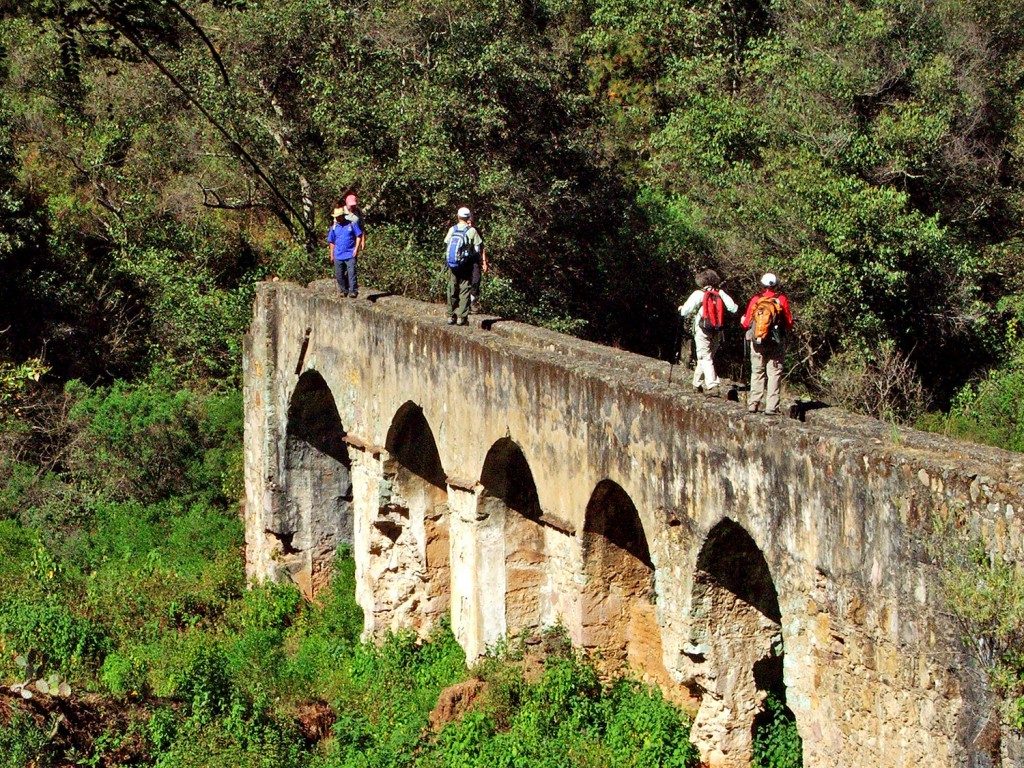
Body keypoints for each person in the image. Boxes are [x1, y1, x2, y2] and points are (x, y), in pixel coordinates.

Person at [678, 269, 738, 397]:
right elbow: (733, 308)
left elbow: (685, 312)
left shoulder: (699, 294)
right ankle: (696, 384)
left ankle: (712, 385)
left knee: (705, 357)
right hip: (717, 329)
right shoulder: (720, 293)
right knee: (706, 357)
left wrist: (681, 308)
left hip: (702, 329)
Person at [740, 272, 794, 415]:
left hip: (757, 343)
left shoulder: (756, 299)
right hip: (776, 343)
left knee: (757, 372)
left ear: (762, 284)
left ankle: (754, 403)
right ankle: (771, 407)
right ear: (776, 285)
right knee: (774, 374)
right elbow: (789, 323)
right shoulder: (781, 299)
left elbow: (746, 323)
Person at [444, 207, 482, 325]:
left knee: (452, 288)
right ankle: (461, 317)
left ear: (458, 216)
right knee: (464, 289)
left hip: (453, 264)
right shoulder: (472, 231)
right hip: (465, 265)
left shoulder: (452, 229)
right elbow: (477, 249)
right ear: (468, 217)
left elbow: (447, 243)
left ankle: (450, 316)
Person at [327, 193, 364, 297]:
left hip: (350, 253)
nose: (338, 219)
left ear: (343, 216)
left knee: (352, 273)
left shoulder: (351, 223)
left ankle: (353, 291)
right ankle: (344, 290)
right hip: (338, 254)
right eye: (336, 217)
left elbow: (359, 235)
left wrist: (356, 249)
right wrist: (331, 254)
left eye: (339, 217)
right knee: (339, 275)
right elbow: (332, 241)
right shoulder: (334, 227)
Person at [468, 215, 488, 313]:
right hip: (466, 261)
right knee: (466, 282)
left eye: (472, 223)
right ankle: (465, 305)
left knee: (476, 280)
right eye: (468, 223)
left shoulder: (477, 232)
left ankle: (472, 302)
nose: (470, 225)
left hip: (476, 261)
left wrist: (484, 262)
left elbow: (482, 247)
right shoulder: (464, 232)